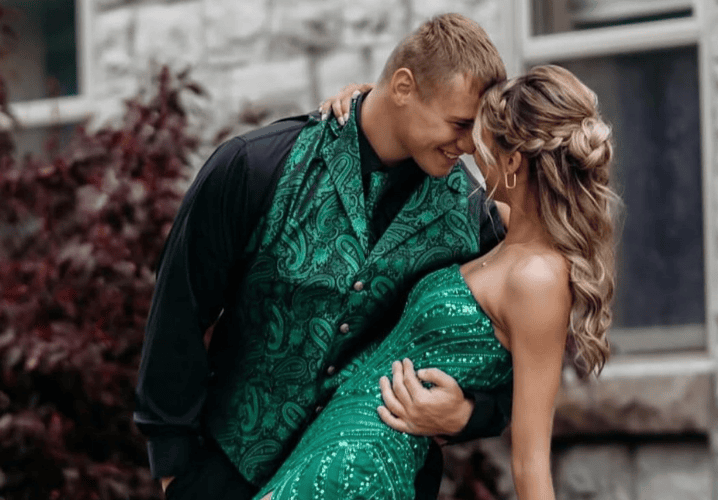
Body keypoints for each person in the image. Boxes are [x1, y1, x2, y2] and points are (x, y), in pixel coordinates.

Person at [133, 13, 514, 500]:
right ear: (403, 86)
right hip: (227, 475)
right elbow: (179, 313)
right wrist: (175, 470)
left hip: (377, 484)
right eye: (460, 124)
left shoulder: (473, 220)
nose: (467, 146)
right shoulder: (256, 165)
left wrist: (468, 414)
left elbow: (518, 352)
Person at [254, 64, 618, 500]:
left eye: (480, 142)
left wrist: (463, 415)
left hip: (363, 471)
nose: (467, 150)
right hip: (326, 450)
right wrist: (375, 101)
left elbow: (529, 461)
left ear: (513, 162)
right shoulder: (505, 232)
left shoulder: (538, 279)